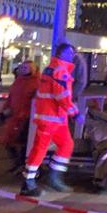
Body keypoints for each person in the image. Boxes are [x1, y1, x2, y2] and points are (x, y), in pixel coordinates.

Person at [20, 43, 79, 197]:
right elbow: (62, 96)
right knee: (40, 149)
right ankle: (29, 183)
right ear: (63, 54)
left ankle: (53, 178)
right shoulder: (61, 71)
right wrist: (75, 113)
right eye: (71, 53)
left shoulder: (51, 69)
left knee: (66, 144)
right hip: (51, 119)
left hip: (53, 118)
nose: (73, 55)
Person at [0, 61, 39, 172]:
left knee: (24, 143)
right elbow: (11, 98)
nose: (24, 69)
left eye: (27, 67)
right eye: (22, 67)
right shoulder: (18, 81)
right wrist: (3, 111)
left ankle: (22, 164)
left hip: (28, 118)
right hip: (15, 117)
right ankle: (17, 162)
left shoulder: (37, 83)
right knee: (7, 141)